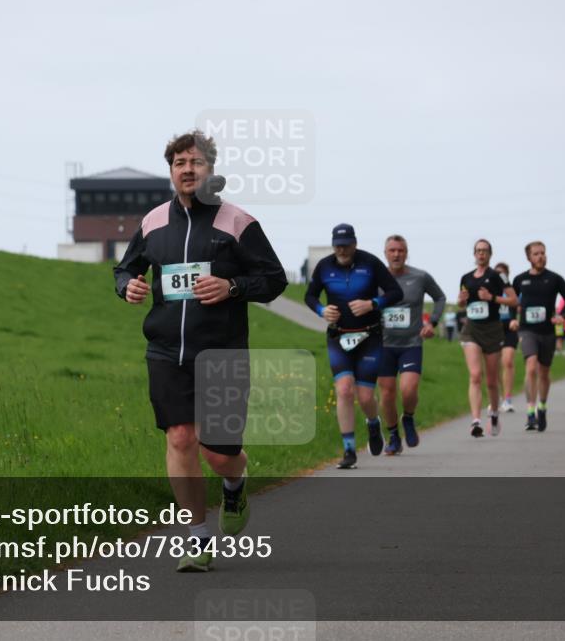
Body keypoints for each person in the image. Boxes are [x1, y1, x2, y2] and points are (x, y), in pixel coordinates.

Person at [114, 130, 287, 572]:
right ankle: (196, 538)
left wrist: (231, 286)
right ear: (171, 171)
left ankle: (235, 483)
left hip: (222, 353)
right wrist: (127, 286)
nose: (187, 170)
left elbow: (274, 280)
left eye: (196, 162)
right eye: (179, 163)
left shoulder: (237, 222)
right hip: (166, 351)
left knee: (218, 451)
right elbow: (127, 267)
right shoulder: (153, 222)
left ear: (211, 167)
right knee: (180, 437)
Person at [305, 224, 403, 468]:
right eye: (338, 245)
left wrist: (373, 304)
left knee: (366, 396)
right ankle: (349, 450)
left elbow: (395, 292)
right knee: (345, 390)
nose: (342, 249)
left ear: (355, 244)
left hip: (369, 337)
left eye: (346, 245)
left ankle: (373, 422)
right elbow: (310, 295)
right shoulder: (324, 266)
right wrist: (321, 310)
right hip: (338, 337)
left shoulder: (370, 263)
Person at [376, 235, 446, 455]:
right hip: (383, 345)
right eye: (392, 250)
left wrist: (431, 323)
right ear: (385, 253)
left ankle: (408, 417)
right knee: (386, 394)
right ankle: (394, 435)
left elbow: (440, 298)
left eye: (401, 250)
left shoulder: (420, 277)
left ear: (406, 253)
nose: (396, 254)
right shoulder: (375, 279)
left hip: (411, 343)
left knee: (408, 389)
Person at [510, 242, 565, 432]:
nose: (540, 257)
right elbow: (512, 301)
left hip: (547, 331)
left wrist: (562, 315)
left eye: (543, 253)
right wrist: (513, 319)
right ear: (529, 258)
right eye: (536, 254)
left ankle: (542, 407)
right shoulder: (520, 279)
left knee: (544, 373)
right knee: (531, 366)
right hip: (527, 330)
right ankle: (530, 411)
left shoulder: (554, 279)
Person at [457, 239, 518, 438]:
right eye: (478, 251)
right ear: (474, 254)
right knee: (475, 375)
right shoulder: (466, 277)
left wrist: (492, 298)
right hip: (472, 330)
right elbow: (461, 304)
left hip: (492, 330)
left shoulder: (497, 276)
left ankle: (493, 413)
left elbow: (514, 300)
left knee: (492, 380)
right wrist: (460, 301)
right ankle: (475, 420)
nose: (481, 254)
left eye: (485, 251)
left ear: (490, 254)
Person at [494, 262, 518, 413]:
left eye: (502, 274)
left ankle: (507, 398)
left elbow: (519, 304)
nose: (499, 276)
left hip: (509, 328)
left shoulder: (512, 291)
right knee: (493, 365)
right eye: (497, 274)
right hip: (493, 329)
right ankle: (495, 398)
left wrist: (516, 319)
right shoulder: (489, 290)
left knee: (507, 361)